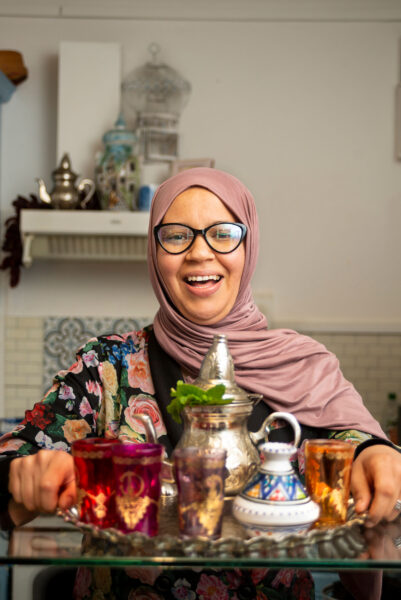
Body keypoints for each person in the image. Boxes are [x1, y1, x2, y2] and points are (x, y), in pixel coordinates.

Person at [0, 167, 400, 600]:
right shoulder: (106, 367)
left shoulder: (304, 366)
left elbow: (355, 442)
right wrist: (23, 479)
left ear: (249, 247)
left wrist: (375, 452)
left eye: (223, 233)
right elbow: (15, 460)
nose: (199, 253)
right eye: (176, 235)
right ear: (154, 251)